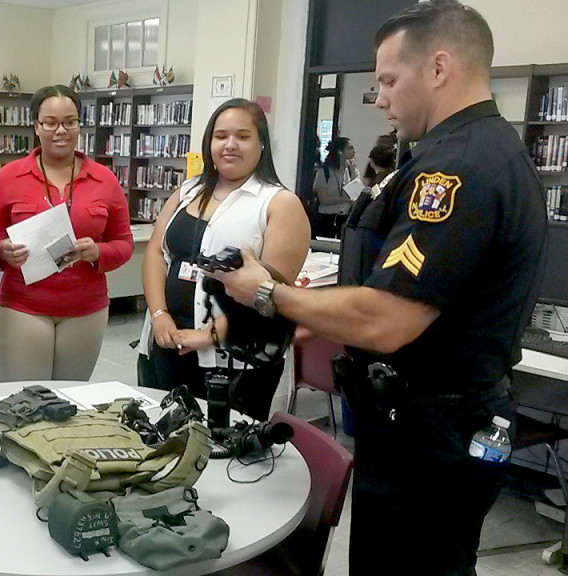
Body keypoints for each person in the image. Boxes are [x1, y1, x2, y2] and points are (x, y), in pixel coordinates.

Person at [214, 2, 546, 574]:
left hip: (431, 437)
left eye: (390, 80)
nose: (381, 97)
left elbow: (388, 319)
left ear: (439, 67)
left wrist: (267, 293)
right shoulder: (444, 155)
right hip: (410, 427)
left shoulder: (463, 168)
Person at [137, 98, 310, 416]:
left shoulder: (278, 203)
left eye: (243, 137)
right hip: (169, 341)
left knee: (226, 454)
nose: (230, 145)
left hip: (235, 356)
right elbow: (156, 253)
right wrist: (160, 314)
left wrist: (208, 336)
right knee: (168, 440)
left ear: (261, 144)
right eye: (221, 136)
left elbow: (272, 294)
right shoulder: (188, 191)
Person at [0, 85, 132, 382]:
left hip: (86, 310)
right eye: (50, 123)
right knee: (24, 402)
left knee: (69, 403)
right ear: (36, 126)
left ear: (80, 124)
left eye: (70, 121)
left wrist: (98, 252)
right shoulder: (9, 176)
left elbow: (125, 243)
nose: (60, 130)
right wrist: (2, 251)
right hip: (24, 306)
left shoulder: (104, 179)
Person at [313, 136, 359, 236]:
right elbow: (324, 199)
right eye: (349, 148)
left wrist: (353, 173)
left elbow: (356, 194)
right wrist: (346, 199)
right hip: (327, 218)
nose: (353, 151)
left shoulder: (352, 171)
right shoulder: (324, 172)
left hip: (345, 218)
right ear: (340, 152)